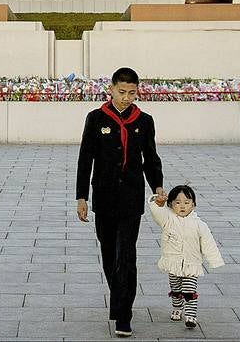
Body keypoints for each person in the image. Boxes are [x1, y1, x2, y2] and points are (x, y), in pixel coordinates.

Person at [76, 66, 165, 338]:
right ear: (111, 89)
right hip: (103, 197)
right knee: (108, 253)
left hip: (131, 197)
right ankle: (121, 297)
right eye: (122, 92)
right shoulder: (95, 118)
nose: (127, 97)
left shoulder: (145, 120)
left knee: (126, 255)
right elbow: (85, 159)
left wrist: (159, 187)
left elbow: (151, 158)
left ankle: (123, 315)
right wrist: (81, 197)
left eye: (132, 92)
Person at [146, 184, 225, 330]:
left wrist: (214, 260)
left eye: (186, 202)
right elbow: (156, 211)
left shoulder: (199, 225)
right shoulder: (167, 219)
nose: (182, 206)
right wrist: (157, 202)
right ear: (170, 204)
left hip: (191, 264)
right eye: (177, 202)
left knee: (189, 290)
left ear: (193, 204)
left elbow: (208, 243)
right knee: (176, 288)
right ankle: (177, 307)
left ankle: (190, 316)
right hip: (173, 263)